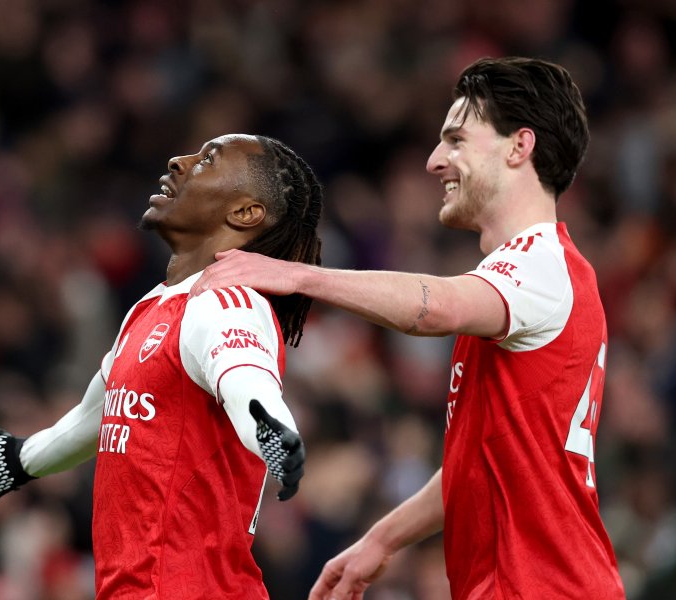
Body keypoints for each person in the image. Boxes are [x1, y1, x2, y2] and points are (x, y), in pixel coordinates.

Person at [192, 57, 626, 599]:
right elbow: (480, 463)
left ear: (520, 147)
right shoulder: (532, 282)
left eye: (456, 140)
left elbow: (437, 308)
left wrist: (297, 275)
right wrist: (383, 539)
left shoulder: (542, 264)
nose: (434, 160)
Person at [0, 134, 324, 599]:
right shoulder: (151, 307)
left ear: (244, 212)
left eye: (208, 160)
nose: (178, 161)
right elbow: (97, 415)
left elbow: (245, 379)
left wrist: (271, 429)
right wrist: (21, 459)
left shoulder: (226, 303)